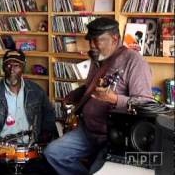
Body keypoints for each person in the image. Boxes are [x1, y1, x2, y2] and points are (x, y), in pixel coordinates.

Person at [44, 17, 153, 175]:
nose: (92, 46)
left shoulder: (135, 62)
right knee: (53, 153)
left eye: (97, 41)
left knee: (97, 172)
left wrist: (115, 99)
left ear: (114, 38)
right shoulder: (98, 59)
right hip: (88, 131)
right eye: (90, 41)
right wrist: (76, 94)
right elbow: (91, 87)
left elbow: (146, 104)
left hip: (113, 137)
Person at [0, 49, 57, 174]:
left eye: (16, 65)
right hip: (3, 152)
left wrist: (45, 134)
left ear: (23, 68)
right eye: (8, 65)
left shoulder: (37, 91)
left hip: (32, 149)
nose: (12, 69)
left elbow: (49, 115)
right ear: (3, 67)